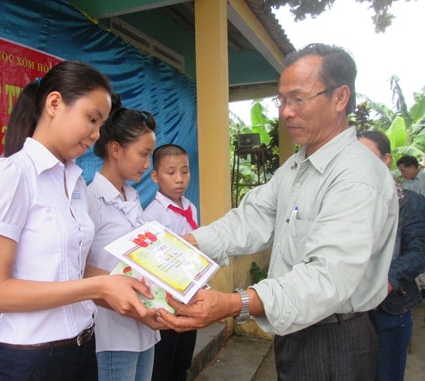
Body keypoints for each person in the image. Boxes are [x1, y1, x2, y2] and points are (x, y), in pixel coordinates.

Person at [157, 43, 399, 381]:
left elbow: (325, 278)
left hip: (336, 341)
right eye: (282, 99)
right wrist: (186, 244)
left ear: (340, 97)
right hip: (295, 332)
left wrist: (232, 303)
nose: (285, 112)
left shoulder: (357, 177)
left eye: (298, 98)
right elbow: (250, 219)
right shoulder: (296, 168)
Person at [0, 61, 155, 381]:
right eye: (92, 119)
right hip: (33, 359)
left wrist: (144, 294)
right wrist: (100, 286)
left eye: (101, 124)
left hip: (82, 347)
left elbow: (72, 268)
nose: (96, 134)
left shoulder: (74, 183)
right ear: (55, 103)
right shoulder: (12, 175)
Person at [86, 98, 160, 381]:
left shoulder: (132, 197)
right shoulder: (92, 200)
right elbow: (78, 268)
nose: (147, 164)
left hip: (145, 328)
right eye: (143, 154)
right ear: (115, 149)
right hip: (113, 334)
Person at [358, 130, 425, 381]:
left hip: (391, 308)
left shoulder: (410, 203)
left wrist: (387, 280)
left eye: (367, 156)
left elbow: (419, 252)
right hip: (349, 314)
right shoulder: (347, 204)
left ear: (386, 159)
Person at [143, 144, 198, 381]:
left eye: (185, 172)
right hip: (165, 303)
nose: (180, 179)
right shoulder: (152, 215)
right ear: (155, 176)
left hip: (190, 296)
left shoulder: (191, 208)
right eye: (171, 172)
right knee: (163, 362)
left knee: (183, 360)